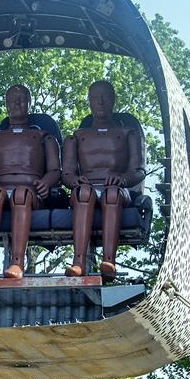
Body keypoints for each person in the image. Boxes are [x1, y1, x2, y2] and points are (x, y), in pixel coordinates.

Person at [0, 83, 58, 280]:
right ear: (6, 104)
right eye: (12, 100)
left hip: (30, 192)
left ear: (29, 103)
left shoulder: (44, 137)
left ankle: (17, 262)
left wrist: (46, 182)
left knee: (21, 194)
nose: (17, 104)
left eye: (21, 99)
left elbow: (55, 170)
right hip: (1, 189)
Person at [60, 79, 144, 280]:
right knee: (83, 193)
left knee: (112, 194)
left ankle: (109, 260)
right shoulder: (77, 137)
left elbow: (138, 171)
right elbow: (66, 174)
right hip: (87, 187)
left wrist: (123, 179)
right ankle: (78, 262)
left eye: (105, 97)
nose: (100, 102)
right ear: (89, 101)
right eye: (95, 98)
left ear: (113, 100)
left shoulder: (128, 134)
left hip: (117, 189)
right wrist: (75, 181)